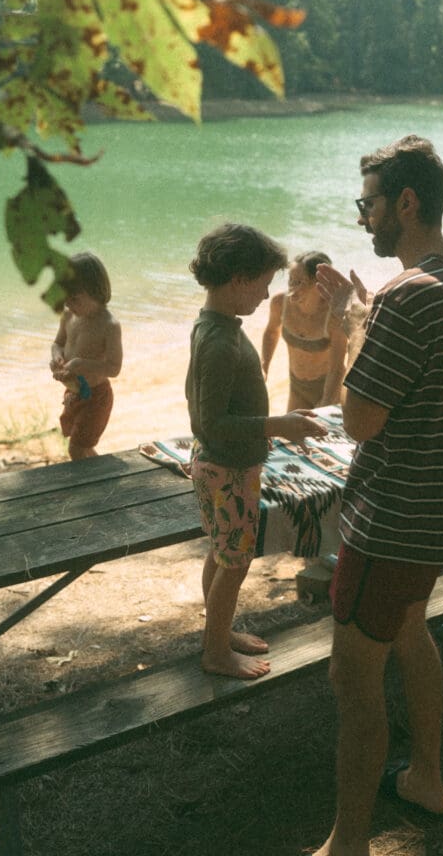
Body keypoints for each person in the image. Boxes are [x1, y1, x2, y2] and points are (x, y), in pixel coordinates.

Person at [311, 135, 443, 856]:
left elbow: (358, 421)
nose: (363, 219)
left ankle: (347, 844)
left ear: (406, 202)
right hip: (437, 518)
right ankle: (424, 776)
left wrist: (353, 327)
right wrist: (369, 319)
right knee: (413, 634)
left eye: (369, 203)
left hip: (388, 523)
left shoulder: (404, 296)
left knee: (351, 679)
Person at [186, 223, 328, 680]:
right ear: (240, 279)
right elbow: (210, 423)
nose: (268, 297)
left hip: (223, 464)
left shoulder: (216, 324)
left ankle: (219, 632)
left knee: (222, 553)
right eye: (264, 284)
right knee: (235, 562)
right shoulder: (220, 342)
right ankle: (215, 653)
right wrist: (277, 425)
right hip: (227, 468)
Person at [50, 251, 123, 461]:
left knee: (77, 449)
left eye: (74, 299)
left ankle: (96, 486)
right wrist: (56, 357)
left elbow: (114, 368)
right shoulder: (68, 317)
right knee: (83, 448)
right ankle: (102, 478)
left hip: (96, 397)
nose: (68, 305)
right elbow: (57, 343)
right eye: (65, 299)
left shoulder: (109, 325)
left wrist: (82, 364)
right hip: (74, 393)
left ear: (96, 291)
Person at [261, 251, 349, 411]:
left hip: (329, 388)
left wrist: (326, 402)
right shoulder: (280, 303)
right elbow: (271, 332)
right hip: (297, 387)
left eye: (299, 282)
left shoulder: (334, 316)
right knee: (290, 434)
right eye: (290, 280)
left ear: (319, 283)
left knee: (318, 433)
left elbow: (337, 368)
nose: (291, 288)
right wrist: (264, 367)